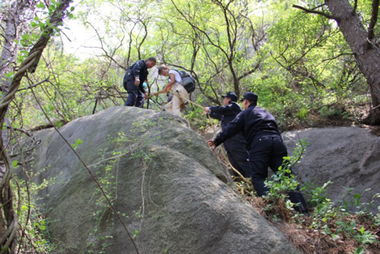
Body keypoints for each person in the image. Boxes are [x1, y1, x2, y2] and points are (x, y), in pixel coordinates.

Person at [208, 92, 308, 213]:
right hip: (277, 142)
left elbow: (231, 127)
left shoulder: (245, 113)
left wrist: (216, 141)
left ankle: (272, 210)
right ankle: (303, 211)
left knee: (258, 177)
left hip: (260, 143)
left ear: (246, 102)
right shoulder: (266, 112)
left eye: (243, 102)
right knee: (287, 177)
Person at [204, 92, 250, 176]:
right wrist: (210, 112)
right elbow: (219, 116)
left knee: (242, 160)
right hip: (228, 141)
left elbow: (222, 109)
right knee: (234, 162)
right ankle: (241, 181)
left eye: (224, 98)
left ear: (229, 99)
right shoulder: (228, 113)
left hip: (236, 140)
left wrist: (210, 108)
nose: (223, 100)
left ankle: (253, 181)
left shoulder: (234, 106)